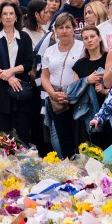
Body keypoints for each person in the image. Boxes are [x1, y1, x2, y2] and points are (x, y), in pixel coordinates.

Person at [0, 1, 37, 144]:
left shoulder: (24, 37)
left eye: (11, 13)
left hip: (20, 89)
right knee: (4, 135)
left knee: (23, 132)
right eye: (5, 14)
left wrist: (11, 72)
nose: (8, 17)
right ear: (0, 18)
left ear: (16, 17)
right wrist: (8, 78)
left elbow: (28, 63)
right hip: (0, 90)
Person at [42, 13, 84, 157]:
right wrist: (52, 94)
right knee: (61, 136)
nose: (64, 31)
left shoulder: (82, 47)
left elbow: (82, 71)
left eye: (68, 27)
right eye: (60, 27)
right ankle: (66, 167)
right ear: (55, 31)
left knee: (77, 136)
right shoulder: (49, 51)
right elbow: (45, 76)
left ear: (74, 29)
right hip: (55, 97)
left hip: (77, 96)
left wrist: (70, 93)